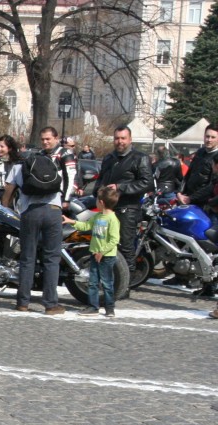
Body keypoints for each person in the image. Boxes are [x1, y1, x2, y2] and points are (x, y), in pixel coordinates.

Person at [1, 126, 76, 314]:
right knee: (51, 259)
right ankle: (50, 304)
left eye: (47, 139)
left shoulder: (23, 164)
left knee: (27, 258)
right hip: (53, 211)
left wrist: (6, 206)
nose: (45, 142)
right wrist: (66, 200)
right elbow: (69, 180)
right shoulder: (57, 161)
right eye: (43, 139)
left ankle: (22, 302)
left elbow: (8, 189)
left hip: (30, 212)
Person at [97, 125, 152, 270]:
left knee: (125, 246)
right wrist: (97, 191)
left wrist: (120, 188)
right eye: (117, 138)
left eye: (123, 138)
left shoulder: (140, 158)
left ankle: (127, 280)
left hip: (128, 208)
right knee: (105, 244)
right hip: (108, 208)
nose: (120, 141)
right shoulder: (109, 158)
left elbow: (147, 183)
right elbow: (101, 179)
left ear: (130, 139)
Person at [64, 185, 121, 317]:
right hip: (94, 253)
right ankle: (93, 306)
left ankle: (109, 307)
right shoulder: (97, 216)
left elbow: (114, 240)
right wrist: (71, 221)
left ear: (101, 202)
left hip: (106, 256)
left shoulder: (112, 219)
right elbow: (86, 226)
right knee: (93, 282)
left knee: (107, 283)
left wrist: (102, 252)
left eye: (97, 201)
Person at [177, 124, 218, 208]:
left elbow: (213, 185)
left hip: (205, 203)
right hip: (188, 199)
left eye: (213, 137)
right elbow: (188, 174)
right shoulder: (200, 152)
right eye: (207, 136)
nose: (209, 140)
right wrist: (179, 192)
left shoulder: (216, 157)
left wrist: (191, 198)